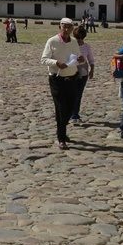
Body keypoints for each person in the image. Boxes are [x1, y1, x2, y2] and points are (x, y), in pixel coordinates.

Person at [41, 17, 79, 150]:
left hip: (72, 78)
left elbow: (77, 57)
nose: (67, 29)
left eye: (69, 27)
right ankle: (61, 138)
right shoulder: (52, 41)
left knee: (70, 106)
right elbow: (44, 59)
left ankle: (61, 128)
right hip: (57, 79)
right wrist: (56, 63)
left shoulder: (74, 41)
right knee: (61, 108)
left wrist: (80, 59)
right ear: (60, 27)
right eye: (64, 26)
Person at [70, 26, 94, 124]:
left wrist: (92, 69)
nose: (79, 40)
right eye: (77, 38)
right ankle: (70, 113)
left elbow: (91, 59)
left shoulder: (86, 46)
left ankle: (75, 114)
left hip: (83, 72)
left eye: (81, 38)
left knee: (78, 94)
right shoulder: (70, 45)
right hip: (71, 71)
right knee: (71, 93)